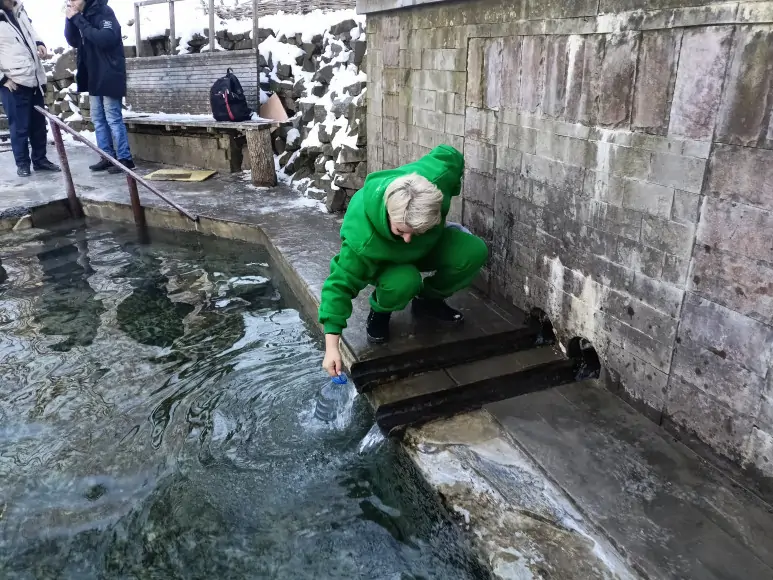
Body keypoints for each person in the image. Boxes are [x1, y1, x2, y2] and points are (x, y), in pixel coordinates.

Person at [319, 145, 488, 377]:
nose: (407, 240)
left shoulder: (437, 177)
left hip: (429, 242)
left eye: (415, 232)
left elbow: (450, 156)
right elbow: (337, 288)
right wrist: (331, 348)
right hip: (386, 258)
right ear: (388, 215)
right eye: (401, 231)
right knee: (405, 281)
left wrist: (454, 189)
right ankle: (380, 310)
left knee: (473, 251)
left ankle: (428, 300)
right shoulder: (362, 240)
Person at [65, 0, 134, 174]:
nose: (71, 2)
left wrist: (78, 19)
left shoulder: (104, 11)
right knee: (98, 118)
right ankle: (106, 156)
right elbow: (73, 40)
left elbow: (105, 39)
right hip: (94, 75)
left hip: (109, 73)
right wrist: (70, 19)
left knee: (112, 117)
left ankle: (125, 159)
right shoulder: (83, 16)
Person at [0, 0, 61, 177]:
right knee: (19, 127)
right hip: (13, 81)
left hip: (33, 76)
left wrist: (39, 42)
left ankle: (40, 160)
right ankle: (22, 163)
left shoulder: (20, 9)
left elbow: (29, 32)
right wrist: (2, 79)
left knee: (38, 124)